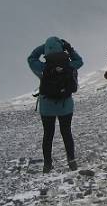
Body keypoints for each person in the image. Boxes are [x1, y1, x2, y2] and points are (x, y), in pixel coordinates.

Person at [27, 36, 83, 173]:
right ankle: (71, 161)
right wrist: (68, 48)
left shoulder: (43, 67)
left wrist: (45, 47)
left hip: (47, 107)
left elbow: (31, 58)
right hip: (66, 105)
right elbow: (80, 61)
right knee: (66, 133)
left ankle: (47, 164)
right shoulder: (69, 64)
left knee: (48, 135)